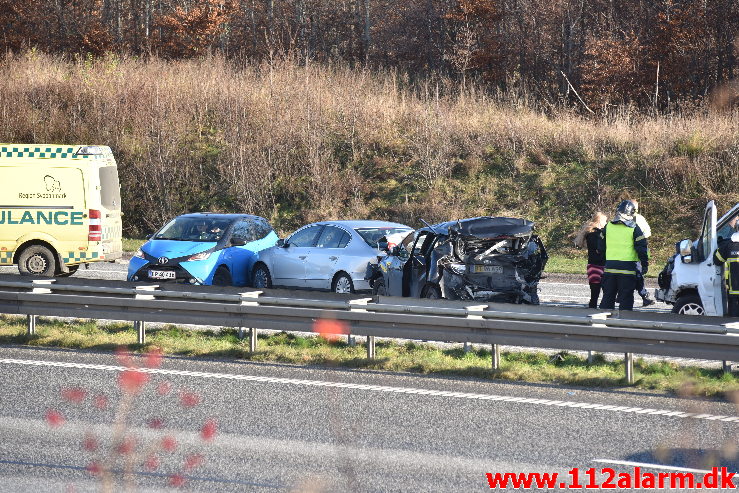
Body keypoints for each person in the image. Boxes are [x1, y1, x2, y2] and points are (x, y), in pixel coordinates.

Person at [598, 200, 650, 311]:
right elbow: (642, 248)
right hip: (628, 270)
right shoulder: (635, 228)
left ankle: (602, 323)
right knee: (626, 299)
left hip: (610, 268)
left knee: (608, 297)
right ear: (632, 213)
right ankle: (623, 324)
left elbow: (600, 247)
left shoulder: (608, 227)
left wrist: (605, 262)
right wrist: (645, 264)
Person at [574, 212, 607, 308]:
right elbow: (599, 249)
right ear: (600, 221)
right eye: (605, 221)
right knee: (606, 294)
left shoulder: (589, 233)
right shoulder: (597, 234)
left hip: (592, 266)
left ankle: (592, 311)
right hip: (601, 265)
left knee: (594, 295)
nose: (606, 223)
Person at [631, 200, 655, 307]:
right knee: (638, 275)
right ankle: (644, 296)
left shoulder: (620, 219)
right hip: (635, 254)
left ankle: (620, 296)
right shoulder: (639, 218)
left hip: (622, 256)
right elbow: (647, 233)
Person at [713, 231, 739, 317]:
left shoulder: (728, 246)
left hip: (734, 292)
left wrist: (720, 244)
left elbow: (717, 260)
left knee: (733, 322)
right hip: (733, 293)